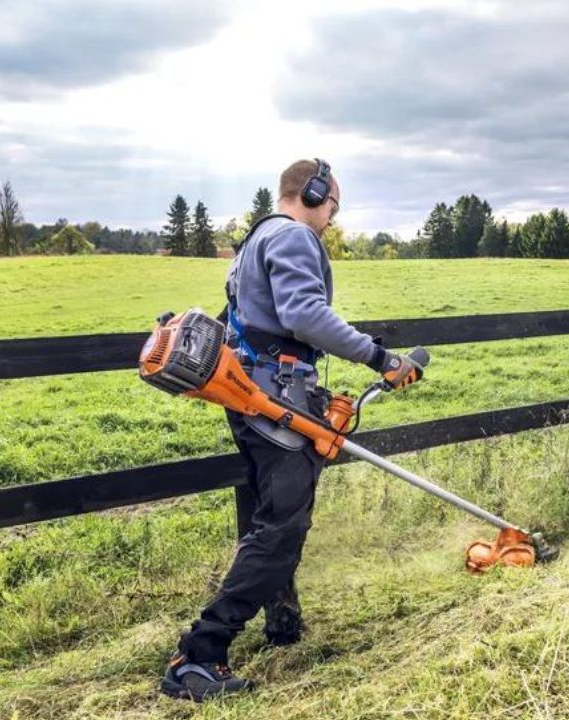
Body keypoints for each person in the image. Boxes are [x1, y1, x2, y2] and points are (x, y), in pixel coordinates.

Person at [160, 158, 423, 702]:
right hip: (274, 403)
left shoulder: (255, 239)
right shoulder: (296, 238)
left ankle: (280, 625)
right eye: (332, 206)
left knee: (274, 523)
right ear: (313, 192)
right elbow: (305, 316)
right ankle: (201, 655)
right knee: (281, 530)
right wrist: (381, 358)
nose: (331, 218)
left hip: (253, 399)